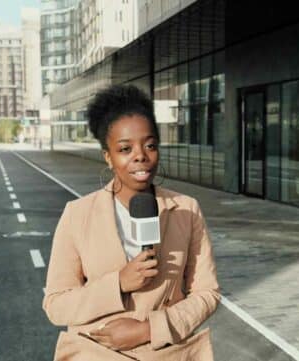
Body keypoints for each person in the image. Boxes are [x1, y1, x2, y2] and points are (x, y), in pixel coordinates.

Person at [43, 85, 220, 360]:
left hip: (166, 353)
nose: (140, 156)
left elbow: (207, 294)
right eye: (125, 148)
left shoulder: (186, 209)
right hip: (95, 353)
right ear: (108, 157)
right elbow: (56, 305)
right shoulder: (77, 215)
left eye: (149, 145)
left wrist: (149, 330)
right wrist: (118, 284)